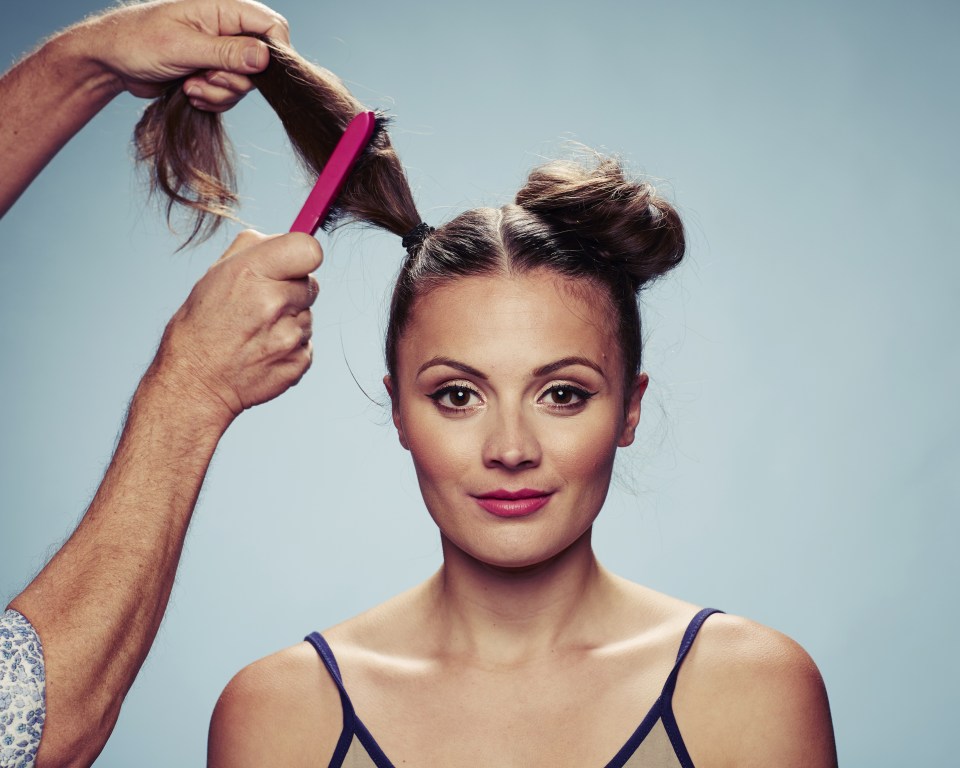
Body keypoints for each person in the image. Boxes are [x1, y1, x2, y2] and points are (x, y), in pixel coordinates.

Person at [130, 33, 838, 768]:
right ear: (399, 410)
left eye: (562, 393)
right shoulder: (281, 714)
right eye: (458, 394)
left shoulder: (749, 690)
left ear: (630, 407)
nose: (510, 448)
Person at [0, 3, 327, 767]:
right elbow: (26, 733)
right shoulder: (282, 710)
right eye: (456, 393)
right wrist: (190, 387)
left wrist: (88, 63)